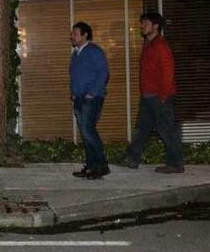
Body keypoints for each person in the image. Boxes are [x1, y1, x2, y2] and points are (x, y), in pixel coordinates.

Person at [118, 12, 185, 173]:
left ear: (156, 26)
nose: (142, 26)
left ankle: (176, 164)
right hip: (148, 96)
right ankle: (132, 159)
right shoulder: (148, 45)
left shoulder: (161, 46)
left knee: (167, 130)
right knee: (141, 129)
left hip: (159, 96)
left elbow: (168, 73)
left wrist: (163, 96)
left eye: (146, 23)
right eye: (142, 23)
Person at [69, 22, 110, 179]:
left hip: (91, 99)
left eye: (75, 33)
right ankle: (91, 166)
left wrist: (92, 93)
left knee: (89, 132)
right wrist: (73, 92)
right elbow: (73, 75)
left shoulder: (94, 51)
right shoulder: (76, 53)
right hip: (79, 98)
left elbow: (103, 73)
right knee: (86, 133)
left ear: (85, 35)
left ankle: (101, 165)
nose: (72, 36)